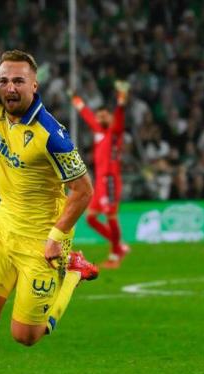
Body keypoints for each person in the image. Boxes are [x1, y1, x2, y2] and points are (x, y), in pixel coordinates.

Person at [0, 14, 99, 374]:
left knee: (26, 336)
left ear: (34, 85)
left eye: (19, 81)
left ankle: (72, 273)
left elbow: (83, 190)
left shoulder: (54, 135)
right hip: (2, 227)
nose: (10, 88)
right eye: (4, 80)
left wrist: (57, 236)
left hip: (41, 240)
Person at [72, 81, 130, 268]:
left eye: (103, 115)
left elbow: (120, 117)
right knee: (90, 218)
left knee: (111, 216)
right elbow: (86, 114)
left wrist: (121, 102)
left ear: (110, 117)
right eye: (99, 115)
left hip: (111, 180)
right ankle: (118, 245)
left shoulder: (115, 132)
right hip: (101, 182)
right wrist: (75, 98)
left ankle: (115, 255)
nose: (99, 118)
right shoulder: (98, 131)